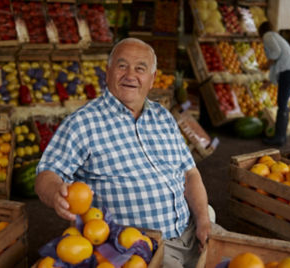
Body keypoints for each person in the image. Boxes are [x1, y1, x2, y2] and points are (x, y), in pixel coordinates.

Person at [35, 37, 211, 267]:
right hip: (140, 248)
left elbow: (190, 174)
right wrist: (55, 191)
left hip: (190, 230)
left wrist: (204, 221)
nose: (130, 75)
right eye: (122, 66)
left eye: (140, 68)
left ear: (152, 79)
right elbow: (46, 175)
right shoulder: (83, 123)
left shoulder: (163, 116)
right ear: (107, 73)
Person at [258, 21, 290, 146]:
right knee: (282, 102)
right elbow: (276, 64)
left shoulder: (268, 36)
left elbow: (275, 54)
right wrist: (268, 82)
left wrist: (266, 64)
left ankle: (279, 137)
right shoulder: (276, 36)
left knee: (282, 103)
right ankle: (280, 136)